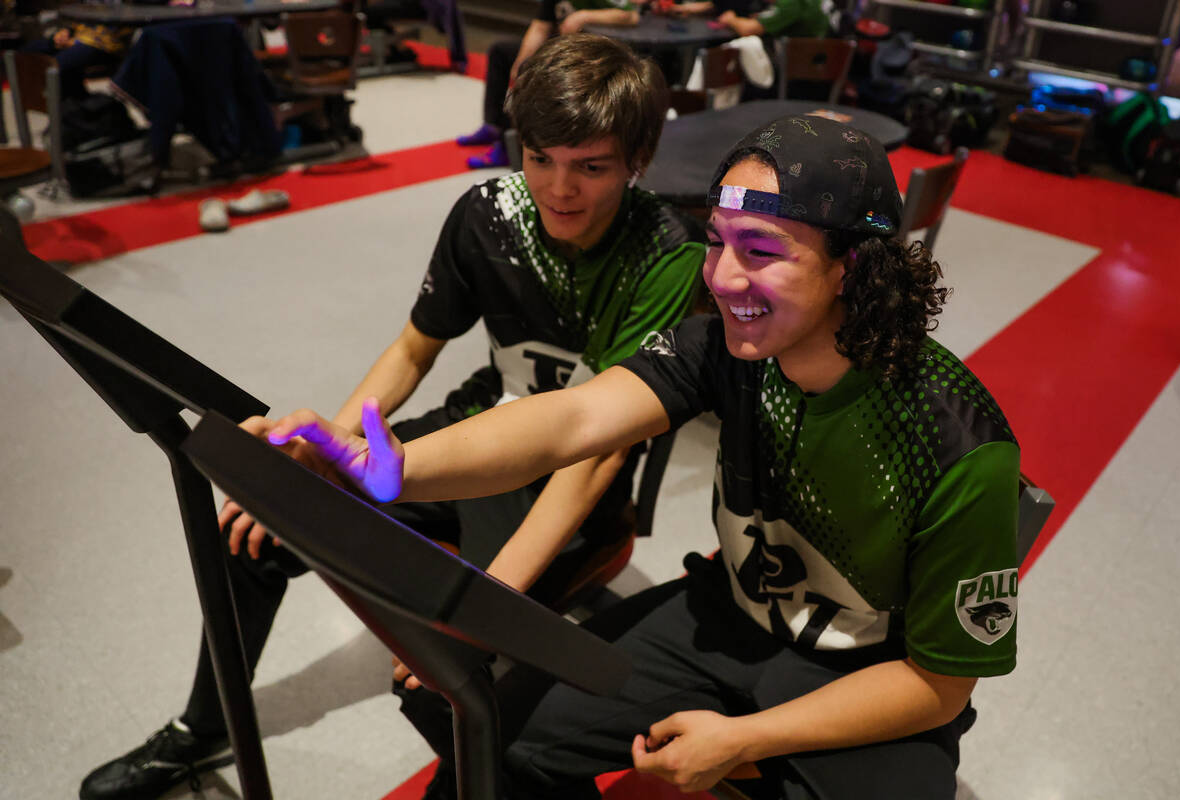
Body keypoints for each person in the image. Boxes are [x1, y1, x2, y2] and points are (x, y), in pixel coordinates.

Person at [255, 113, 1021, 799]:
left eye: (760, 252)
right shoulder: (724, 347)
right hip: (731, 614)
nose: (720, 279)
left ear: (853, 267)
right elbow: (573, 420)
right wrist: (392, 467)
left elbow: (939, 687)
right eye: (717, 243)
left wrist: (746, 740)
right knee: (492, 734)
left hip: (866, 670)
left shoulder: (959, 446)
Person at [78, 33, 704, 800]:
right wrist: (315, 461)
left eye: (590, 167)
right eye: (540, 158)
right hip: (478, 427)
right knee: (260, 529)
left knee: (447, 685)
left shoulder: (669, 255)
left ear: (636, 160)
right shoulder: (486, 213)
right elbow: (413, 351)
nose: (558, 187)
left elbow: (594, 453)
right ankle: (201, 729)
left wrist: (486, 607)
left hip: (570, 491)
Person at [455, 0, 639, 169]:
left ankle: (508, 147)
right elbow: (539, 27)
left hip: (592, 60)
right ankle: (494, 126)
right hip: (558, 48)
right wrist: (520, 63)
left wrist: (585, 16)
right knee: (502, 54)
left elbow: (630, 15)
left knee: (533, 73)